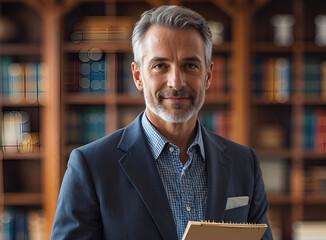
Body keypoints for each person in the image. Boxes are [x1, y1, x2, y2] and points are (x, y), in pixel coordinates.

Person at [51, 5, 274, 240]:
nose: (176, 82)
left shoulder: (244, 164)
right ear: (138, 76)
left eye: (190, 65)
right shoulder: (91, 166)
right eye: (160, 66)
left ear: (208, 75)